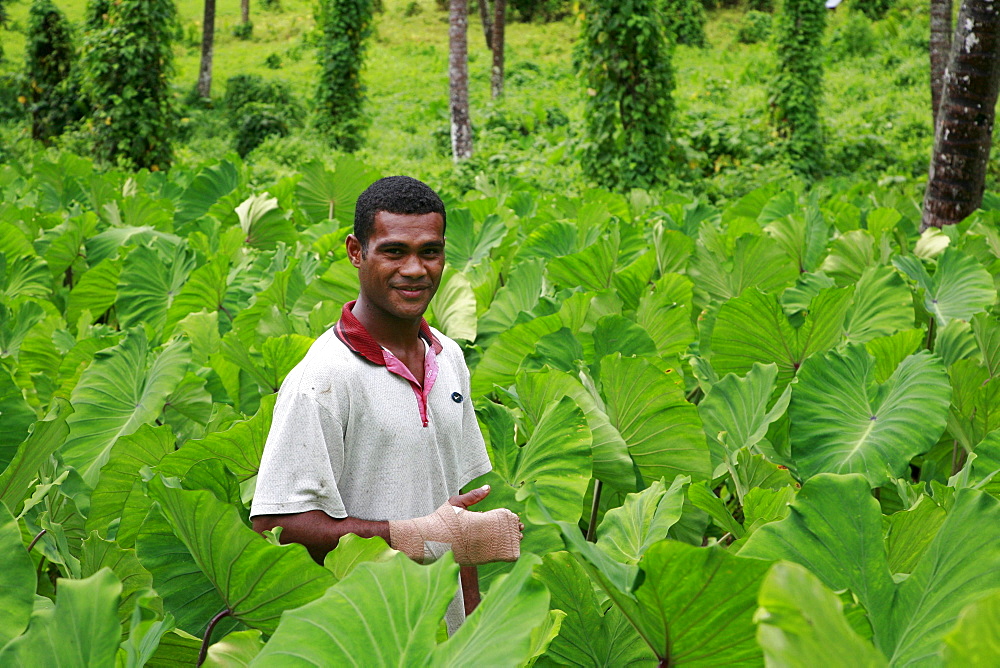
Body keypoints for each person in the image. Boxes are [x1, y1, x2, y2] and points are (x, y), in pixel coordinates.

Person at [250, 175, 523, 633]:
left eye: (430, 252)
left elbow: (457, 526)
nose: (415, 269)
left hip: (441, 637)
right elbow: (276, 529)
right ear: (357, 251)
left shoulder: (449, 357)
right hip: (365, 636)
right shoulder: (324, 377)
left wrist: (472, 634)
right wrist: (413, 536)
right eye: (394, 251)